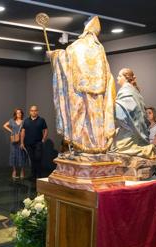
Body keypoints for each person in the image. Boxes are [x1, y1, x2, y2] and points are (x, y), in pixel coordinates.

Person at [49, 16, 116, 153]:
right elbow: (107, 74)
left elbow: (66, 59)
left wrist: (54, 55)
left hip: (79, 92)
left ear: (86, 28)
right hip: (98, 94)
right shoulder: (100, 48)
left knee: (80, 118)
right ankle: (98, 144)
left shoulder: (78, 45)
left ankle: (84, 146)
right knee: (96, 120)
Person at [110, 68, 156, 159]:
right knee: (113, 145)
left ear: (126, 78)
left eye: (120, 76)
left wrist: (111, 105)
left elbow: (125, 110)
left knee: (117, 147)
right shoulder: (133, 90)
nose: (117, 77)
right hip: (133, 127)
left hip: (131, 129)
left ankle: (143, 149)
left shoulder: (126, 89)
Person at [20, 106, 48, 180]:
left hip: (38, 143)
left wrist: (43, 139)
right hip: (28, 144)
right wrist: (22, 142)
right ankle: (33, 175)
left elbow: (45, 130)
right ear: (30, 112)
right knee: (32, 159)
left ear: (37, 111)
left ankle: (39, 175)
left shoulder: (41, 120)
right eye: (32, 110)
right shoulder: (26, 121)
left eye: (35, 110)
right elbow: (23, 132)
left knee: (37, 158)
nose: (33, 112)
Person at [3, 108, 27, 179]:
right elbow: (4, 125)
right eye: (17, 113)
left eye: (20, 113)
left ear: (21, 114)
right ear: (15, 114)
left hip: (21, 140)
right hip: (14, 140)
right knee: (13, 155)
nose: (19, 114)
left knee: (21, 155)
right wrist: (11, 131)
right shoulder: (12, 120)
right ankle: (14, 171)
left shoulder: (24, 121)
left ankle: (22, 171)